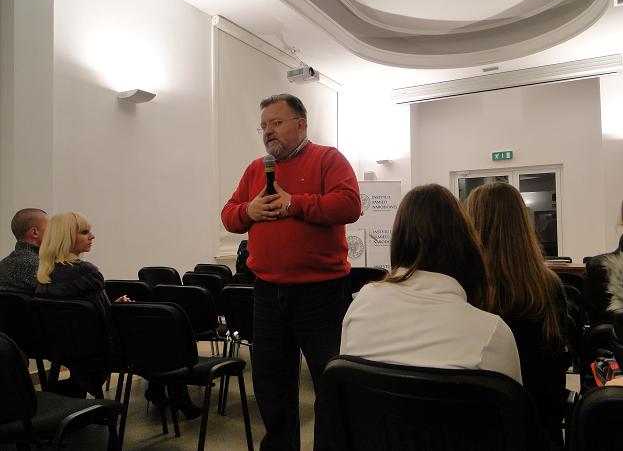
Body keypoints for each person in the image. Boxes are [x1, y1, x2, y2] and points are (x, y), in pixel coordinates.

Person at [221, 93, 361, 451]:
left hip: (321, 293)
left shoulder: (328, 159)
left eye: (276, 123)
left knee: (329, 381)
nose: (268, 131)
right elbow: (229, 215)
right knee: (271, 384)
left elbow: (349, 204)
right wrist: (249, 211)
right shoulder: (256, 169)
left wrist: (294, 203)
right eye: (263, 126)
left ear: (301, 124)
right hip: (267, 292)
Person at [340, 184, 522, 384]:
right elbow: (512, 403)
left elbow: (344, 388)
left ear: (398, 239)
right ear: (465, 242)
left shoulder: (361, 306)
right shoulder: (492, 333)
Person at [35, 212, 200, 417]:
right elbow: (106, 322)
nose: (92, 236)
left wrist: (113, 306)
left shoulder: (45, 273)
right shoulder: (85, 272)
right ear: (66, 237)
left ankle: (158, 390)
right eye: (84, 232)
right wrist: (117, 310)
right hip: (103, 351)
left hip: (67, 349)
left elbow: (84, 316)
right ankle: (177, 396)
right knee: (162, 332)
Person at [466, 182, 569, 449]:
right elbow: (556, 368)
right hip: (537, 428)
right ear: (523, 224)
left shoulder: (465, 290)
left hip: (476, 429)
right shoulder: (549, 287)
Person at [0, 208, 48, 293]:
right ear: (35, 232)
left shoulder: (2, 264)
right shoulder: (43, 268)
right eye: (50, 229)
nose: (53, 234)